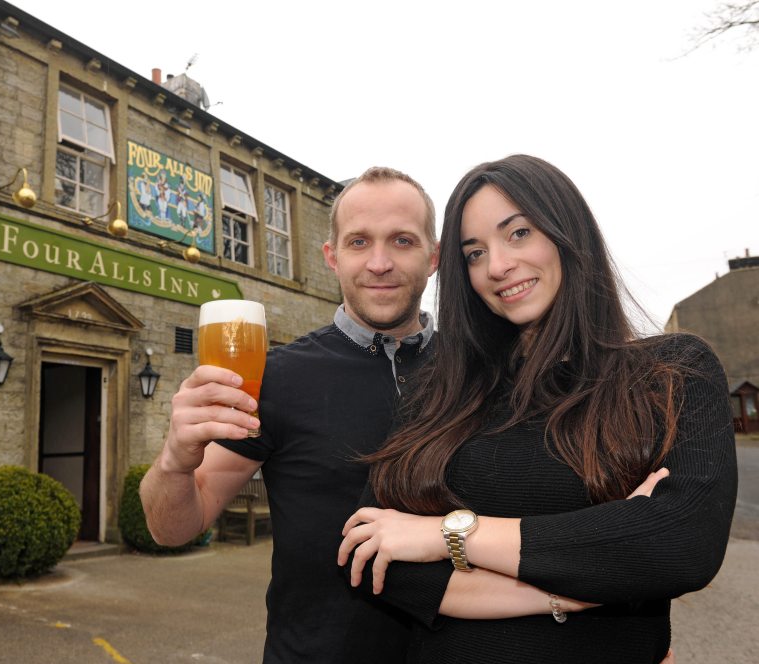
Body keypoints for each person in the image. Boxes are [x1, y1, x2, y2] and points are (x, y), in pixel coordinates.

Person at [338, 154, 736, 663]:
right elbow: (376, 559)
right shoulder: (438, 390)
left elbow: (681, 544)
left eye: (519, 233)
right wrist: (588, 582)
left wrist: (446, 534)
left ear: (568, 232)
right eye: (475, 252)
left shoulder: (673, 372)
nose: (498, 266)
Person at [139, 166, 440, 662]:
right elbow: (171, 529)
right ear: (332, 257)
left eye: (402, 240)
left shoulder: (479, 373)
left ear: (433, 256)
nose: (380, 262)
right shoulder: (274, 377)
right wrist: (175, 458)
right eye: (359, 242)